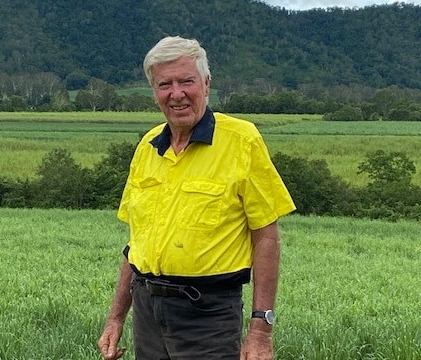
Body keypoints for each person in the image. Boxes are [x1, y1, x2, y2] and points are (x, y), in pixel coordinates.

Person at [97, 35, 296, 360]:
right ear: (154, 93)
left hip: (208, 314)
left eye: (186, 81)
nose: (176, 94)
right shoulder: (147, 148)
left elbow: (267, 238)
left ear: (206, 83)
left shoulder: (241, 141)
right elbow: (136, 243)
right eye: (165, 84)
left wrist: (261, 329)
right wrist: (116, 316)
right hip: (147, 310)